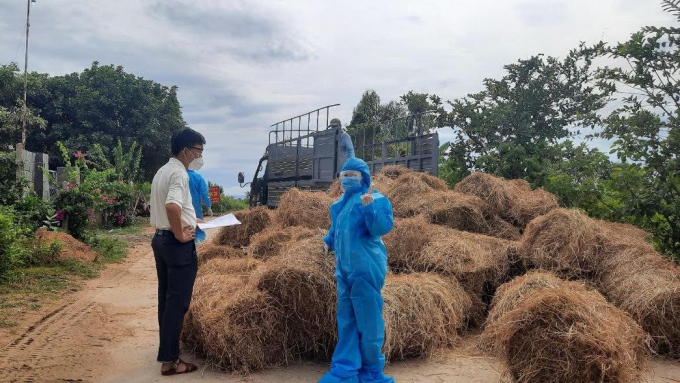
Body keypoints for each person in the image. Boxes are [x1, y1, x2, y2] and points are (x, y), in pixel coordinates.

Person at [320, 156, 395, 383]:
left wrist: (369, 206)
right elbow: (338, 228)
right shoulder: (342, 203)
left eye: (353, 175)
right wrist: (328, 240)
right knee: (347, 318)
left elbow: (381, 228)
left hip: (365, 267)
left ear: (364, 177)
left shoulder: (375, 199)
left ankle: (371, 370)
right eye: (345, 175)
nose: (347, 179)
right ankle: (346, 369)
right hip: (344, 269)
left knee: (369, 319)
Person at [149, 128, 206, 376]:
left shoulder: (163, 171)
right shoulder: (179, 174)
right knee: (177, 303)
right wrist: (181, 234)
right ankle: (170, 361)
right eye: (199, 150)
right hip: (175, 244)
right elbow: (172, 206)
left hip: (161, 241)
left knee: (167, 300)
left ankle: (166, 351)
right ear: (186, 151)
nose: (200, 156)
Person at [187, 165, 212, 243]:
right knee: (198, 228)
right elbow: (204, 193)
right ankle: (198, 248)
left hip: (180, 209)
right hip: (195, 208)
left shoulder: (177, 174)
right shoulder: (197, 176)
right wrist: (208, 206)